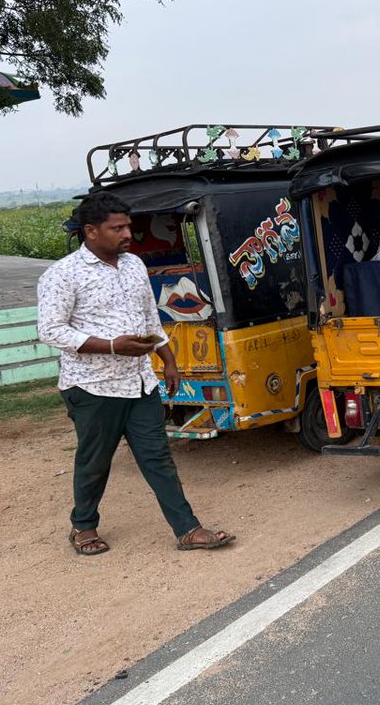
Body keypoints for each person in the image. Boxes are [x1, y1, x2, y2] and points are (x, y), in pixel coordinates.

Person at [37, 193, 236, 554]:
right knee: (95, 461)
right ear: (91, 231)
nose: (127, 233)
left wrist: (168, 360)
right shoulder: (62, 274)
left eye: (128, 226)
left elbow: (149, 318)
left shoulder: (134, 266)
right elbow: (51, 330)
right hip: (92, 386)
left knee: (157, 457)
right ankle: (83, 527)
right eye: (118, 228)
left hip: (141, 382)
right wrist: (112, 346)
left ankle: (188, 530)